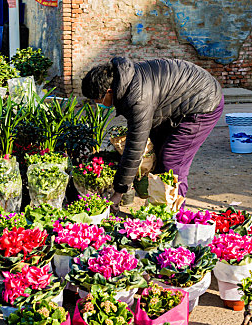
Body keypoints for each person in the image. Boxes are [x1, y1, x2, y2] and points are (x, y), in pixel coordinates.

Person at [81, 57, 224, 213]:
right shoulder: (124, 78)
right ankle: (159, 206)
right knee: (158, 148)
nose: (97, 104)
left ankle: (175, 216)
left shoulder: (136, 98)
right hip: (180, 101)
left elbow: (134, 148)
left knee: (172, 159)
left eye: (98, 99)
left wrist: (118, 192)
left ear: (109, 91)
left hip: (204, 103)